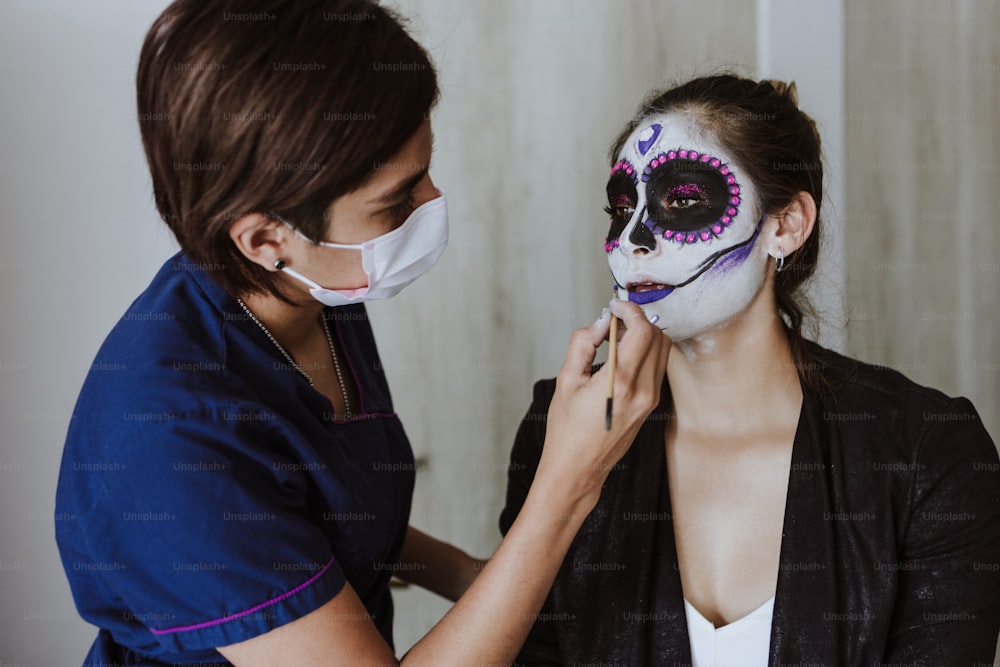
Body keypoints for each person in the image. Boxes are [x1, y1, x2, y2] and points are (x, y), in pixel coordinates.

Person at [53, 1, 670, 665]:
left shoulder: (313, 287)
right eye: (396, 200)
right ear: (266, 238)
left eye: (427, 170)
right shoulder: (172, 442)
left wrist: (468, 574)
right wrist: (568, 481)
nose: (433, 205)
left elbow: (327, 514)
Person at [501, 73, 1000, 666]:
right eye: (621, 208)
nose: (632, 241)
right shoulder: (560, 427)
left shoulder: (928, 453)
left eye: (682, 202)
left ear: (785, 226)